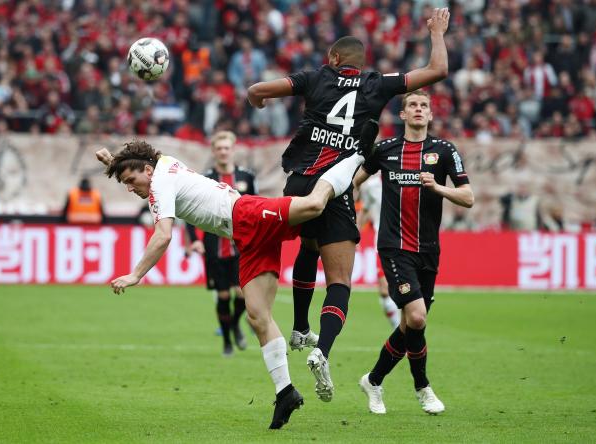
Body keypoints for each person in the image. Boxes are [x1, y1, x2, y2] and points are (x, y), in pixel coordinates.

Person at [94, 132, 375, 429]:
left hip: (247, 214)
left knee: (314, 205)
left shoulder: (158, 183)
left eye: (130, 182)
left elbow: (163, 236)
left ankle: (357, 156)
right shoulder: (160, 165)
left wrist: (135, 274)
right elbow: (137, 167)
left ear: (147, 172)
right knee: (257, 315)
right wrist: (115, 163)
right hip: (243, 236)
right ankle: (286, 393)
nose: (130, 188)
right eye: (125, 183)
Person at [247, 7, 450, 403]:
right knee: (339, 281)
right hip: (337, 187)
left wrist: (257, 101)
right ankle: (322, 346)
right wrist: (437, 33)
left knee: (307, 246)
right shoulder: (378, 83)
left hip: (301, 180)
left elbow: (257, 90)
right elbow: (436, 70)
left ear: (334, 59)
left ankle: (300, 326)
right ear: (361, 62)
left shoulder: (316, 76)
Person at [354, 90, 474, 415]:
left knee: (411, 325)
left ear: (430, 115)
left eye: (424, 106)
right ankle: (423, 388)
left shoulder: (444, 150)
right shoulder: (385, 150)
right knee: (417, 316)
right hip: (394, 247)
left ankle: (374, 380)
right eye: (412, 106)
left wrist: (438, 188)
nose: (418, 110)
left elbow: (468, 197)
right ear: (403, 115)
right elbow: (354, 181)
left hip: (429, 251)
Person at [186, 131, 257, 357]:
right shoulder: (205, 179)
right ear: (213, 151)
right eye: (219, 148)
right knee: (224, 296)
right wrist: (195, 241)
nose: (223, 152)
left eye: (227, 148)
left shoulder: (246, 177)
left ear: (233, 149)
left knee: (243, 295)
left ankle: (235, 325)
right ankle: (227, 340)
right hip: (214, 246)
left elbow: (254, 208)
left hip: (240, 246)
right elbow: (189, 212)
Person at [357, 173, 401, 329]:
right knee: (384, 290)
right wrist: (356, 233)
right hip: (381, 244)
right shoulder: (371, 186)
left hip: (404, 243)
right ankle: (398, 328)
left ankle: (405, 328)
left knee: (404, 289)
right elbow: (365, 210)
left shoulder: (403, 180)